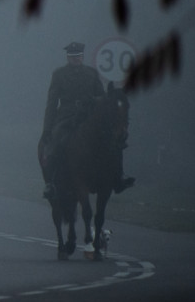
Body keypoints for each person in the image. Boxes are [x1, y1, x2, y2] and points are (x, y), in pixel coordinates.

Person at [41, 41, 135, 199]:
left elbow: (101, 96)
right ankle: (51, 183)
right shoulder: (59, 74)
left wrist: (97, 102)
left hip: (89, 114)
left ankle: (119, 177)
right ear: (68, 58)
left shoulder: (91, 73)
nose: (75, 59)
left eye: (78, 56)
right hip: (66, 115)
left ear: (82, 57)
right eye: (72, 57)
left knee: (114, 142)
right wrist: (47, 128)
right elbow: (52, 102)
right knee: (56, 142)